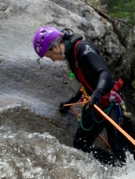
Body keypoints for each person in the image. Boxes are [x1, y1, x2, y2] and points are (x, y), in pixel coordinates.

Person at [32, 26, 127, 166]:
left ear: (56, 46)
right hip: (94, 103)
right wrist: (71, 101)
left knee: (116, 145)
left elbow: (104, 73)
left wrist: (97, 93)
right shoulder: (72, 57)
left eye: (50, 56)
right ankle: (114, 168)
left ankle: (123, 170)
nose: (52, 60)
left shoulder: (84, 49)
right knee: (80, 147)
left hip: (110, 102)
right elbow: (85, 83)